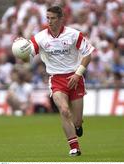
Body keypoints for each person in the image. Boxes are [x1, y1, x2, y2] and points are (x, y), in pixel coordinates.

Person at [13, 6, 95, 156]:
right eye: (47, 18)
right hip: (56, 80)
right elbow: (26, 56)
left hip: (75, 78)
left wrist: (78, 74)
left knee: (77, 121)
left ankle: (77, 126)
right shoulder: (40, 37)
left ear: (61, 18)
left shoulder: (73, 35)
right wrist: (20, 47)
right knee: (64, 110)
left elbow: (88, 54)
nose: (49, 21)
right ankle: (74, 147)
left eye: (53, 18)